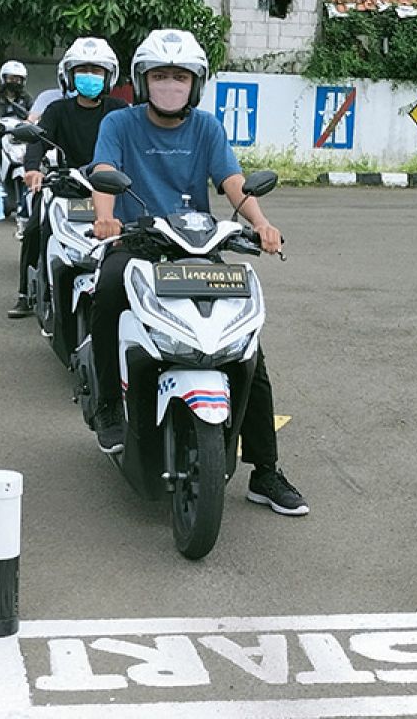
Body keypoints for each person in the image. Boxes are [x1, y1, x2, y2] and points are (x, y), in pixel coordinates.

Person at [88, 29, 308, 516]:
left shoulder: (206, 128)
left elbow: (232, 181)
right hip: (137, 243)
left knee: (245, 346)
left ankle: (265, 471)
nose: (170, 84)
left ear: (196, 83)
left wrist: (262, 225)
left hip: (195, 247)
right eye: (161, 76)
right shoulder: (120, 124)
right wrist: (105, 217)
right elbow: (104, 170)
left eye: (180, 76)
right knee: (106, 291)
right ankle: (108, 404)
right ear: (142, 81)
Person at [7, 37, 128, 319]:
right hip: (67, 186)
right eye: (82, 69)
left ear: (109, 76)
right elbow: (38, 141)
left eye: (96, 70)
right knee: (37, 228)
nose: (89, 76)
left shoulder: (119, 111)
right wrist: (33, 168)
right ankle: (26, 293)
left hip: (111, 186)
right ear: (69, 75)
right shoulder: (58, 110)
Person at [0, 60, 32, 168]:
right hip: (1, 132)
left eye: (18, 79)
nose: (15, 82)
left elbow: (33, 112)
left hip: (22, 133)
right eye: (11, 78)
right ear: (4, 79)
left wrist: (30, 121)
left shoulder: (26, 98)